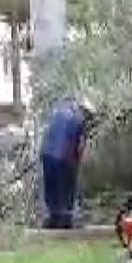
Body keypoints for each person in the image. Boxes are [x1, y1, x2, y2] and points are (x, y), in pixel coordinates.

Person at [38, 96, 95, 229]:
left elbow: (48, 134)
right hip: (64, 157)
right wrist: (77, 163)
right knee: (67, 188)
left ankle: (53, 218)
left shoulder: (57, 113)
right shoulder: (80, 120)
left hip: (46, 155)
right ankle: (65, 219)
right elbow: (80, 146)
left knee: (51, 188)